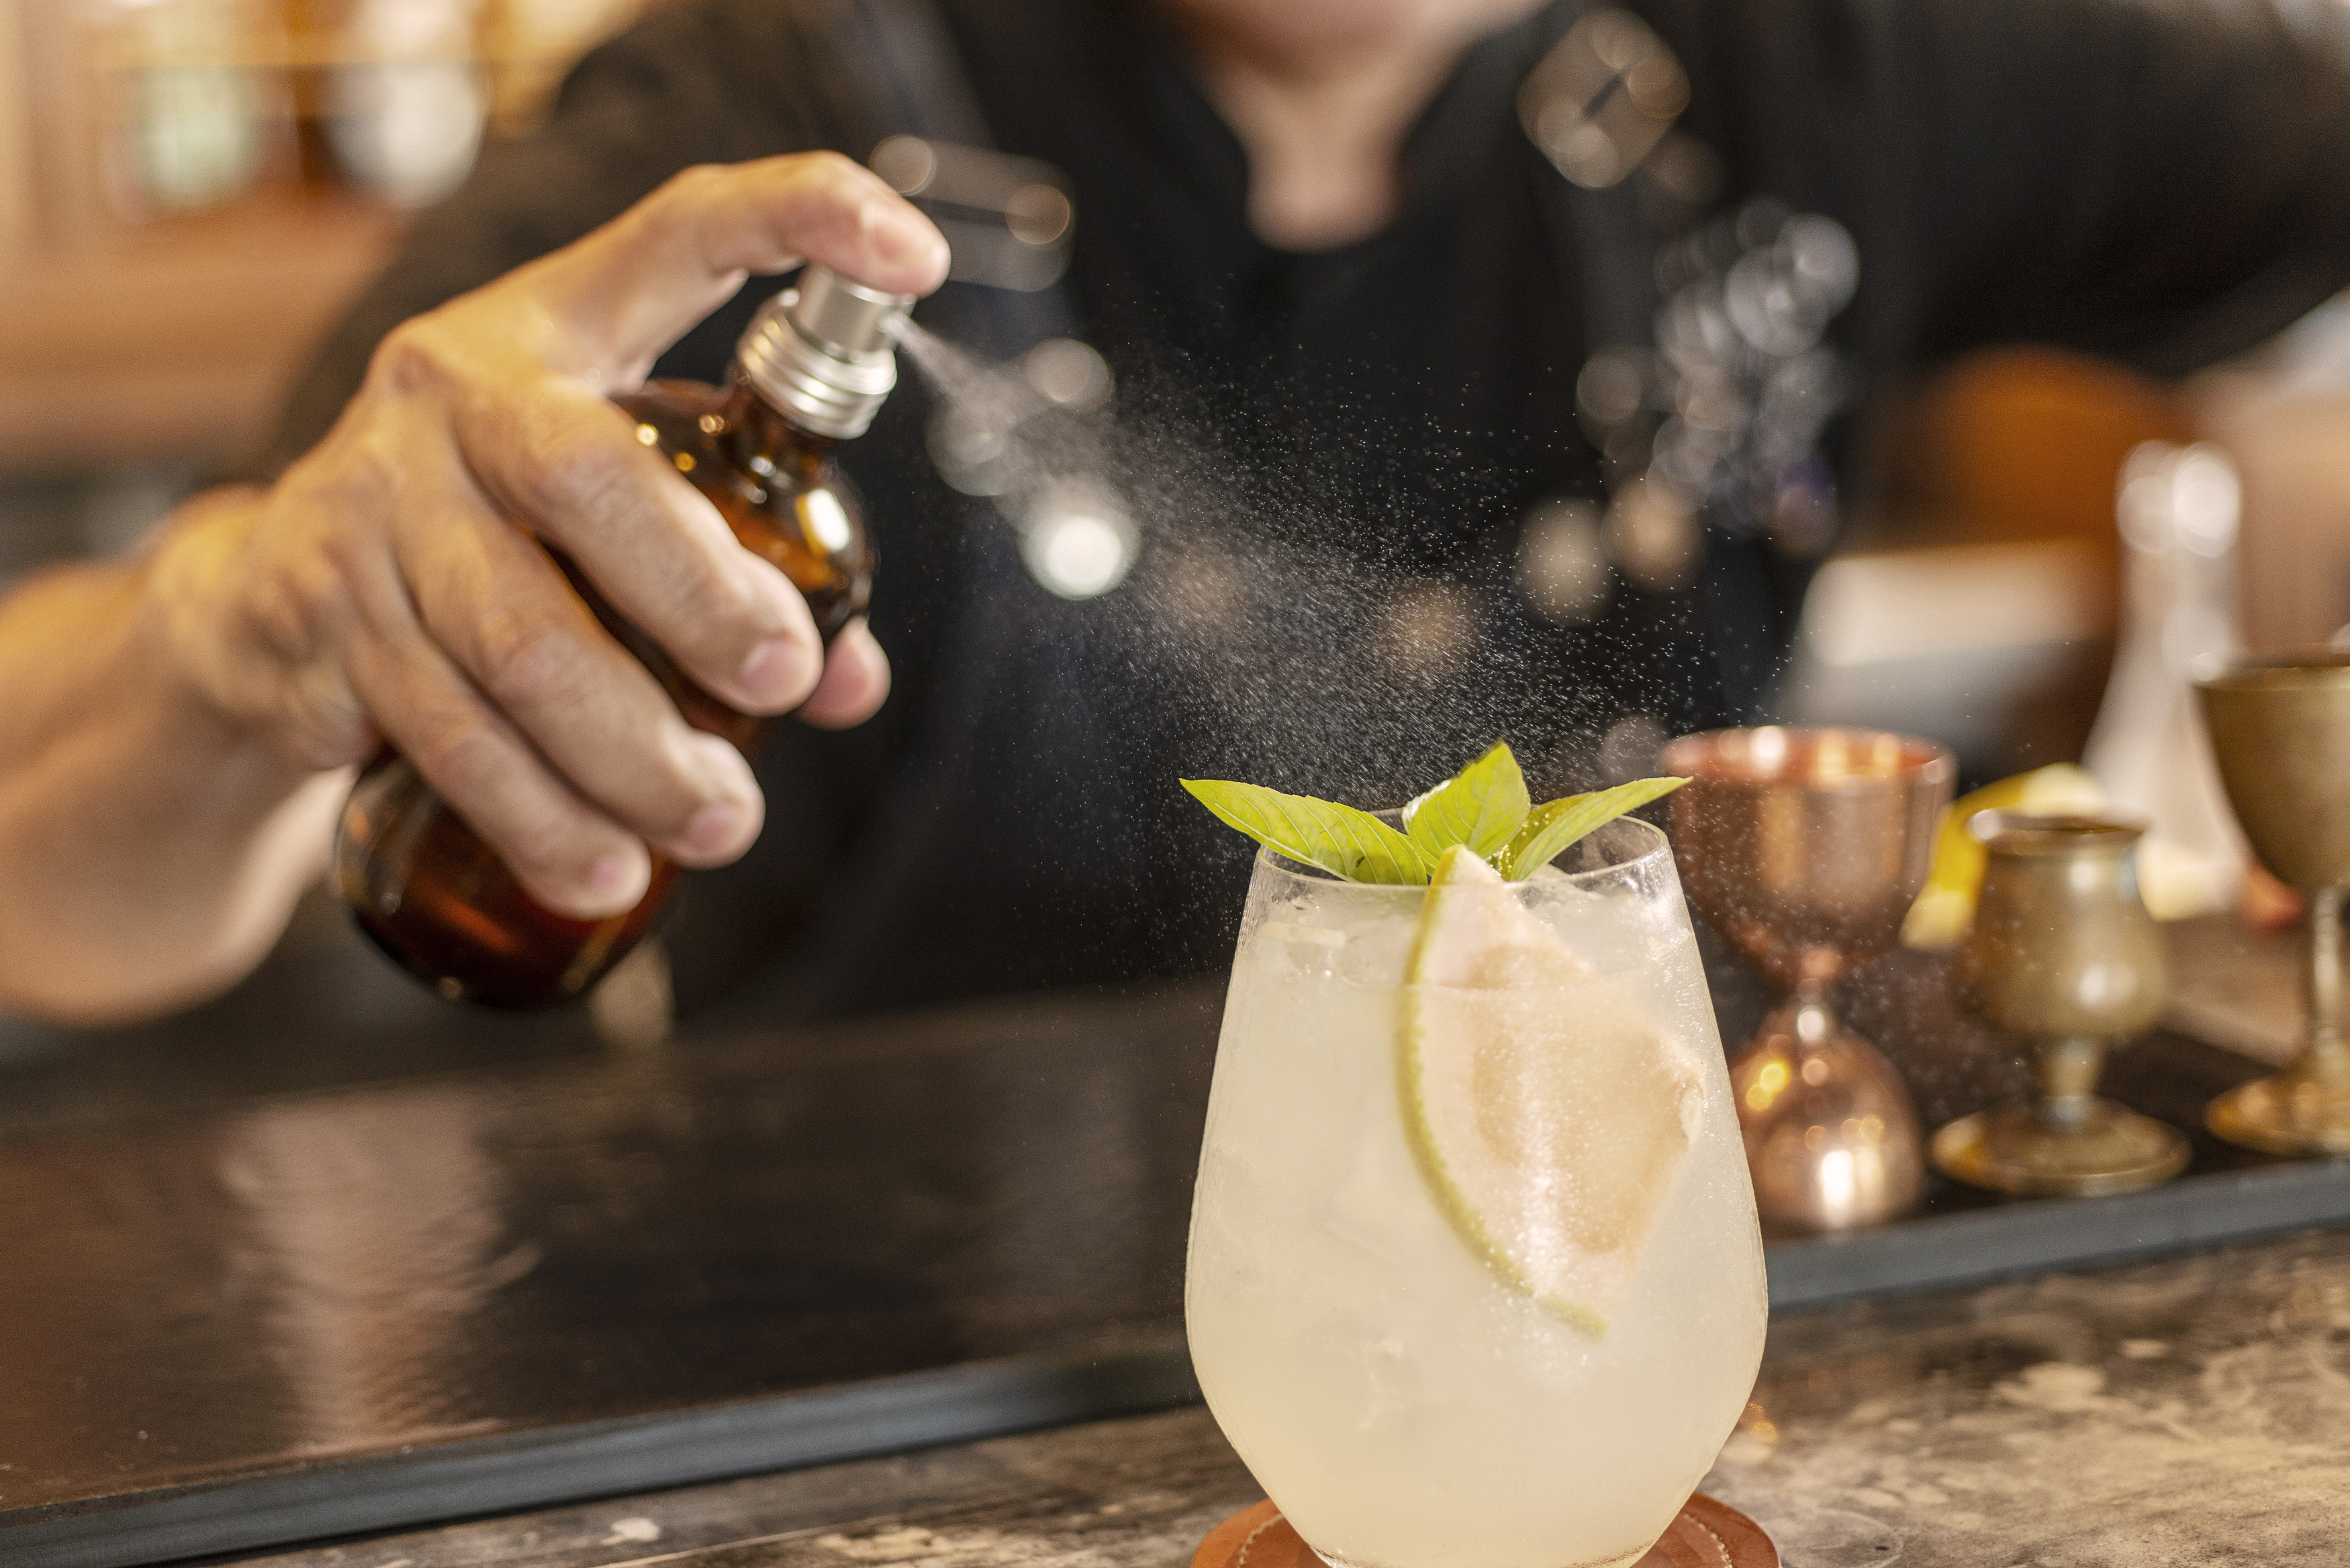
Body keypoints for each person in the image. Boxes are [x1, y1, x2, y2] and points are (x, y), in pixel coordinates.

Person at [3, 0, 2349, 1026]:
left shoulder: (1835, 54)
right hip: (828, 1407)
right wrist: (242, 627)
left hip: (1604, 1328)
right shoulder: (742, 113)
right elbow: (52, 873)